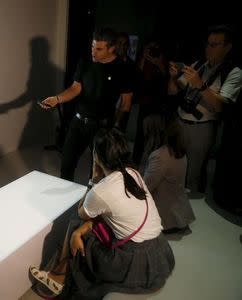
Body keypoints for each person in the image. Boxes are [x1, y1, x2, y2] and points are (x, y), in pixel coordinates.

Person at [29, 128, 174, 299]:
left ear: (96, 156)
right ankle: (60, 270)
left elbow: (82, 213)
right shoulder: (133, 173)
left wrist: (94, 178)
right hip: (158, 252)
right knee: (89, 222)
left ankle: (58, 276)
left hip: (133, 263)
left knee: (76, 220)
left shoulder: (102, 190)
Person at [40, 27, 133, 182]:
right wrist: (56, 99)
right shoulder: (85, 63)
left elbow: (126, 102)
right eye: (92, 46)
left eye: (99, 49)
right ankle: (66, 202)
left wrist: (115, 126)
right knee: (66, 165)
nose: (93, 52)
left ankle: (90, 204)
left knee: (97, 172)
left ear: (112, 48)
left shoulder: (122, 70)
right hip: (78, 122)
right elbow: (75, 88)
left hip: (102, 127)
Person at [167, 24, 242, 198]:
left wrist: (200, 85)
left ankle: (190, 209)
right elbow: (173, 91)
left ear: (227, 47)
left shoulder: (234, 72)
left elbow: (221, 106)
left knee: (193, 173)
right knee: (172, 168)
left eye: (215, 44)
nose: (209, 48)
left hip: (202, 127)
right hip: (180, 121)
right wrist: (172, 77)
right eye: (208, 43)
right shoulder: (199, 64)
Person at [143, 119, 195, 234]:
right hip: (178, 211)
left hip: (164, 217)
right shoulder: (180, 153)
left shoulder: (160, 156)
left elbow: (145, 187)